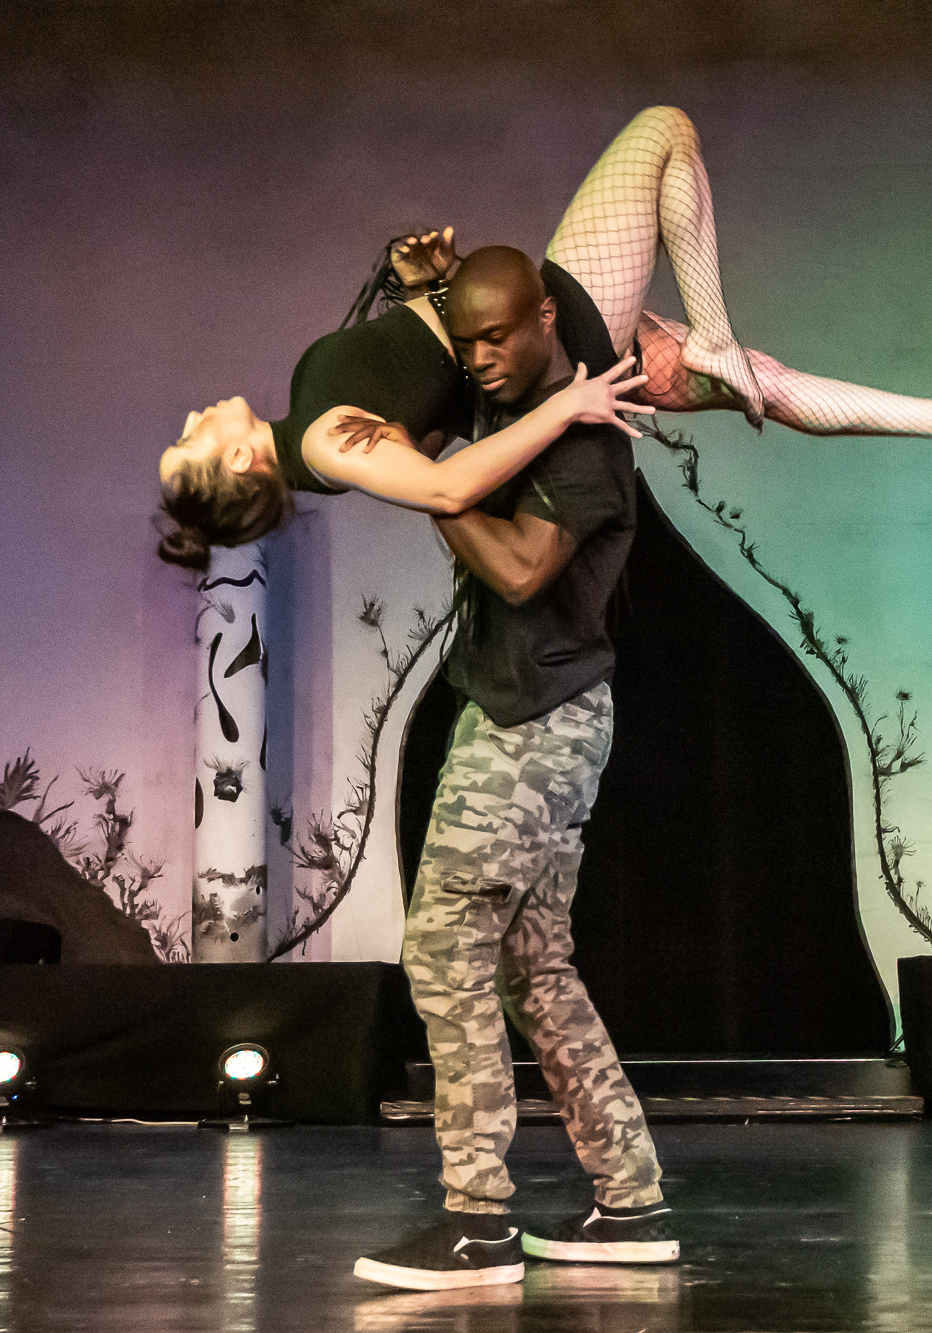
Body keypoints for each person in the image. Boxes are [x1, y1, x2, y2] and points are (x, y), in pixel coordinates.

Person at [155, 106, 932, 566]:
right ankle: (713, 334)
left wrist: (434, 282)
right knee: (665, 130)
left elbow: (431, 396)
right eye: (192, 437)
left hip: (539, 350)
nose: (195, 416)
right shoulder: (325, 444)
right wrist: (569, 404)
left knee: (766, 383)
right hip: (560, 353)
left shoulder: (315, 419)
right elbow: (445, 484)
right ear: (235, 463)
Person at [352, 246, 669, 1292]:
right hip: (520, 715)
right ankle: (631, 1201)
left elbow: (526, 570)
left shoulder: (585, 443)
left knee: (444, 946)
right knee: (534, 968)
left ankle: (477, 1221)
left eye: (497, 336)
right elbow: (434, 390)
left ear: (545, 320)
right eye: (467, 340)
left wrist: (434, 488)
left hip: (537, 727)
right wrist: (417, 293)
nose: (479, 358)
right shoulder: (507, 403)